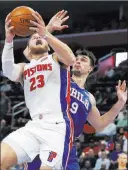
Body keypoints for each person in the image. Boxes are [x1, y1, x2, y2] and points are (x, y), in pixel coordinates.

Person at [23, 10, 127, 170]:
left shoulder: (89, 98)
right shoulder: (57, 76)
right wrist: (47, 31)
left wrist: (120, 104)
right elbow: (30, 53)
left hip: (68, 148)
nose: (77, 62)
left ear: (91, 68)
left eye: (83, 60)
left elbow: (99, 125)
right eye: (76, 59)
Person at [1, 10, 76, 170]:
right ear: (27, 49)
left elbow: (70, 58)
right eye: (33, 37)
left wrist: (46, 33)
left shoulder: (55, 58)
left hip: (57, 126)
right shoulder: (24, 67)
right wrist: (8, 40)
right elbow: (8, 71)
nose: (37, 38)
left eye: (41, 37)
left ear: (48, 46)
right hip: (34, 125)